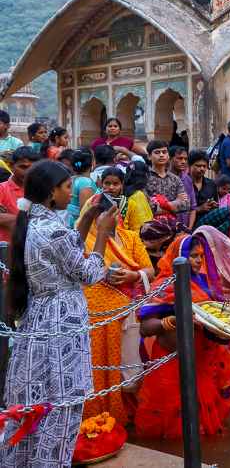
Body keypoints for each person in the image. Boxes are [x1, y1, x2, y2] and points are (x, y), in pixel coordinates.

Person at [1, 160, 117, 468]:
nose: (72, 192)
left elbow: (66, 249)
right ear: (52, 192)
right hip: (60, 321)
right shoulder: (51, 228)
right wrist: (103, 233)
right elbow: (88, 272)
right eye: (67, 187)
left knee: (35, 404)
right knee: (61, 406)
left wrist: (89, 216)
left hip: (37, 317)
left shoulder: (32, 222)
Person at [135, 236, 230, 438]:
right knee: (173, 420)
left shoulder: (202, 282)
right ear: (179, 257)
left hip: (201, 359)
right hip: (171, 360)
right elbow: (145, 328)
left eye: (201, 256)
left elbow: (211, 315)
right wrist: (171, 322)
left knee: (202, 419)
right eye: (193, 256)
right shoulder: (164, 285)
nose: (199, 261)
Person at [77, 168, 155, 423]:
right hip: (94, 314)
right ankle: (95, 416)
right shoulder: (81, 241)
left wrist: (133, 276)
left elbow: (149, 269)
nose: (105, 221)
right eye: (99, 216)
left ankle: (125, 415)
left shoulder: (130, 237)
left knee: (129, 369)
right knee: (97, 367)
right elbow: (79, 274)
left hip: (127, 310)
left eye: (109, 215)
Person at [0, 147, 39, 242]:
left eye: (32, 168)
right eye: (23, 167)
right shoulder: (2, 189)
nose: (28, 172)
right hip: (9, 250)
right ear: (12, 166)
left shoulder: (41, 190)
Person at [145, 140, 189, 219]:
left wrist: (162, 206)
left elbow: (185, 205)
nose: (161, 155)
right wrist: (176, 202)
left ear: (168, 156)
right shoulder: (145, 178)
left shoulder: (175, 179)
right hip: (150, 224)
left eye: (164, 152)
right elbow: (147, 208)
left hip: (172, 224)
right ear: (149, 156)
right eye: (157, 152)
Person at [186, 150, 218, 228]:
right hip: (188, 223)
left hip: (208, 223)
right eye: (198, 166)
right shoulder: (182, 183)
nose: (202, 169)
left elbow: (216, 204)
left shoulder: (211, 184)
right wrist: (199, 209)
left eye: (204, 166)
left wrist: (212, 205)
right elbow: (179, 211)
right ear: (190, 166)